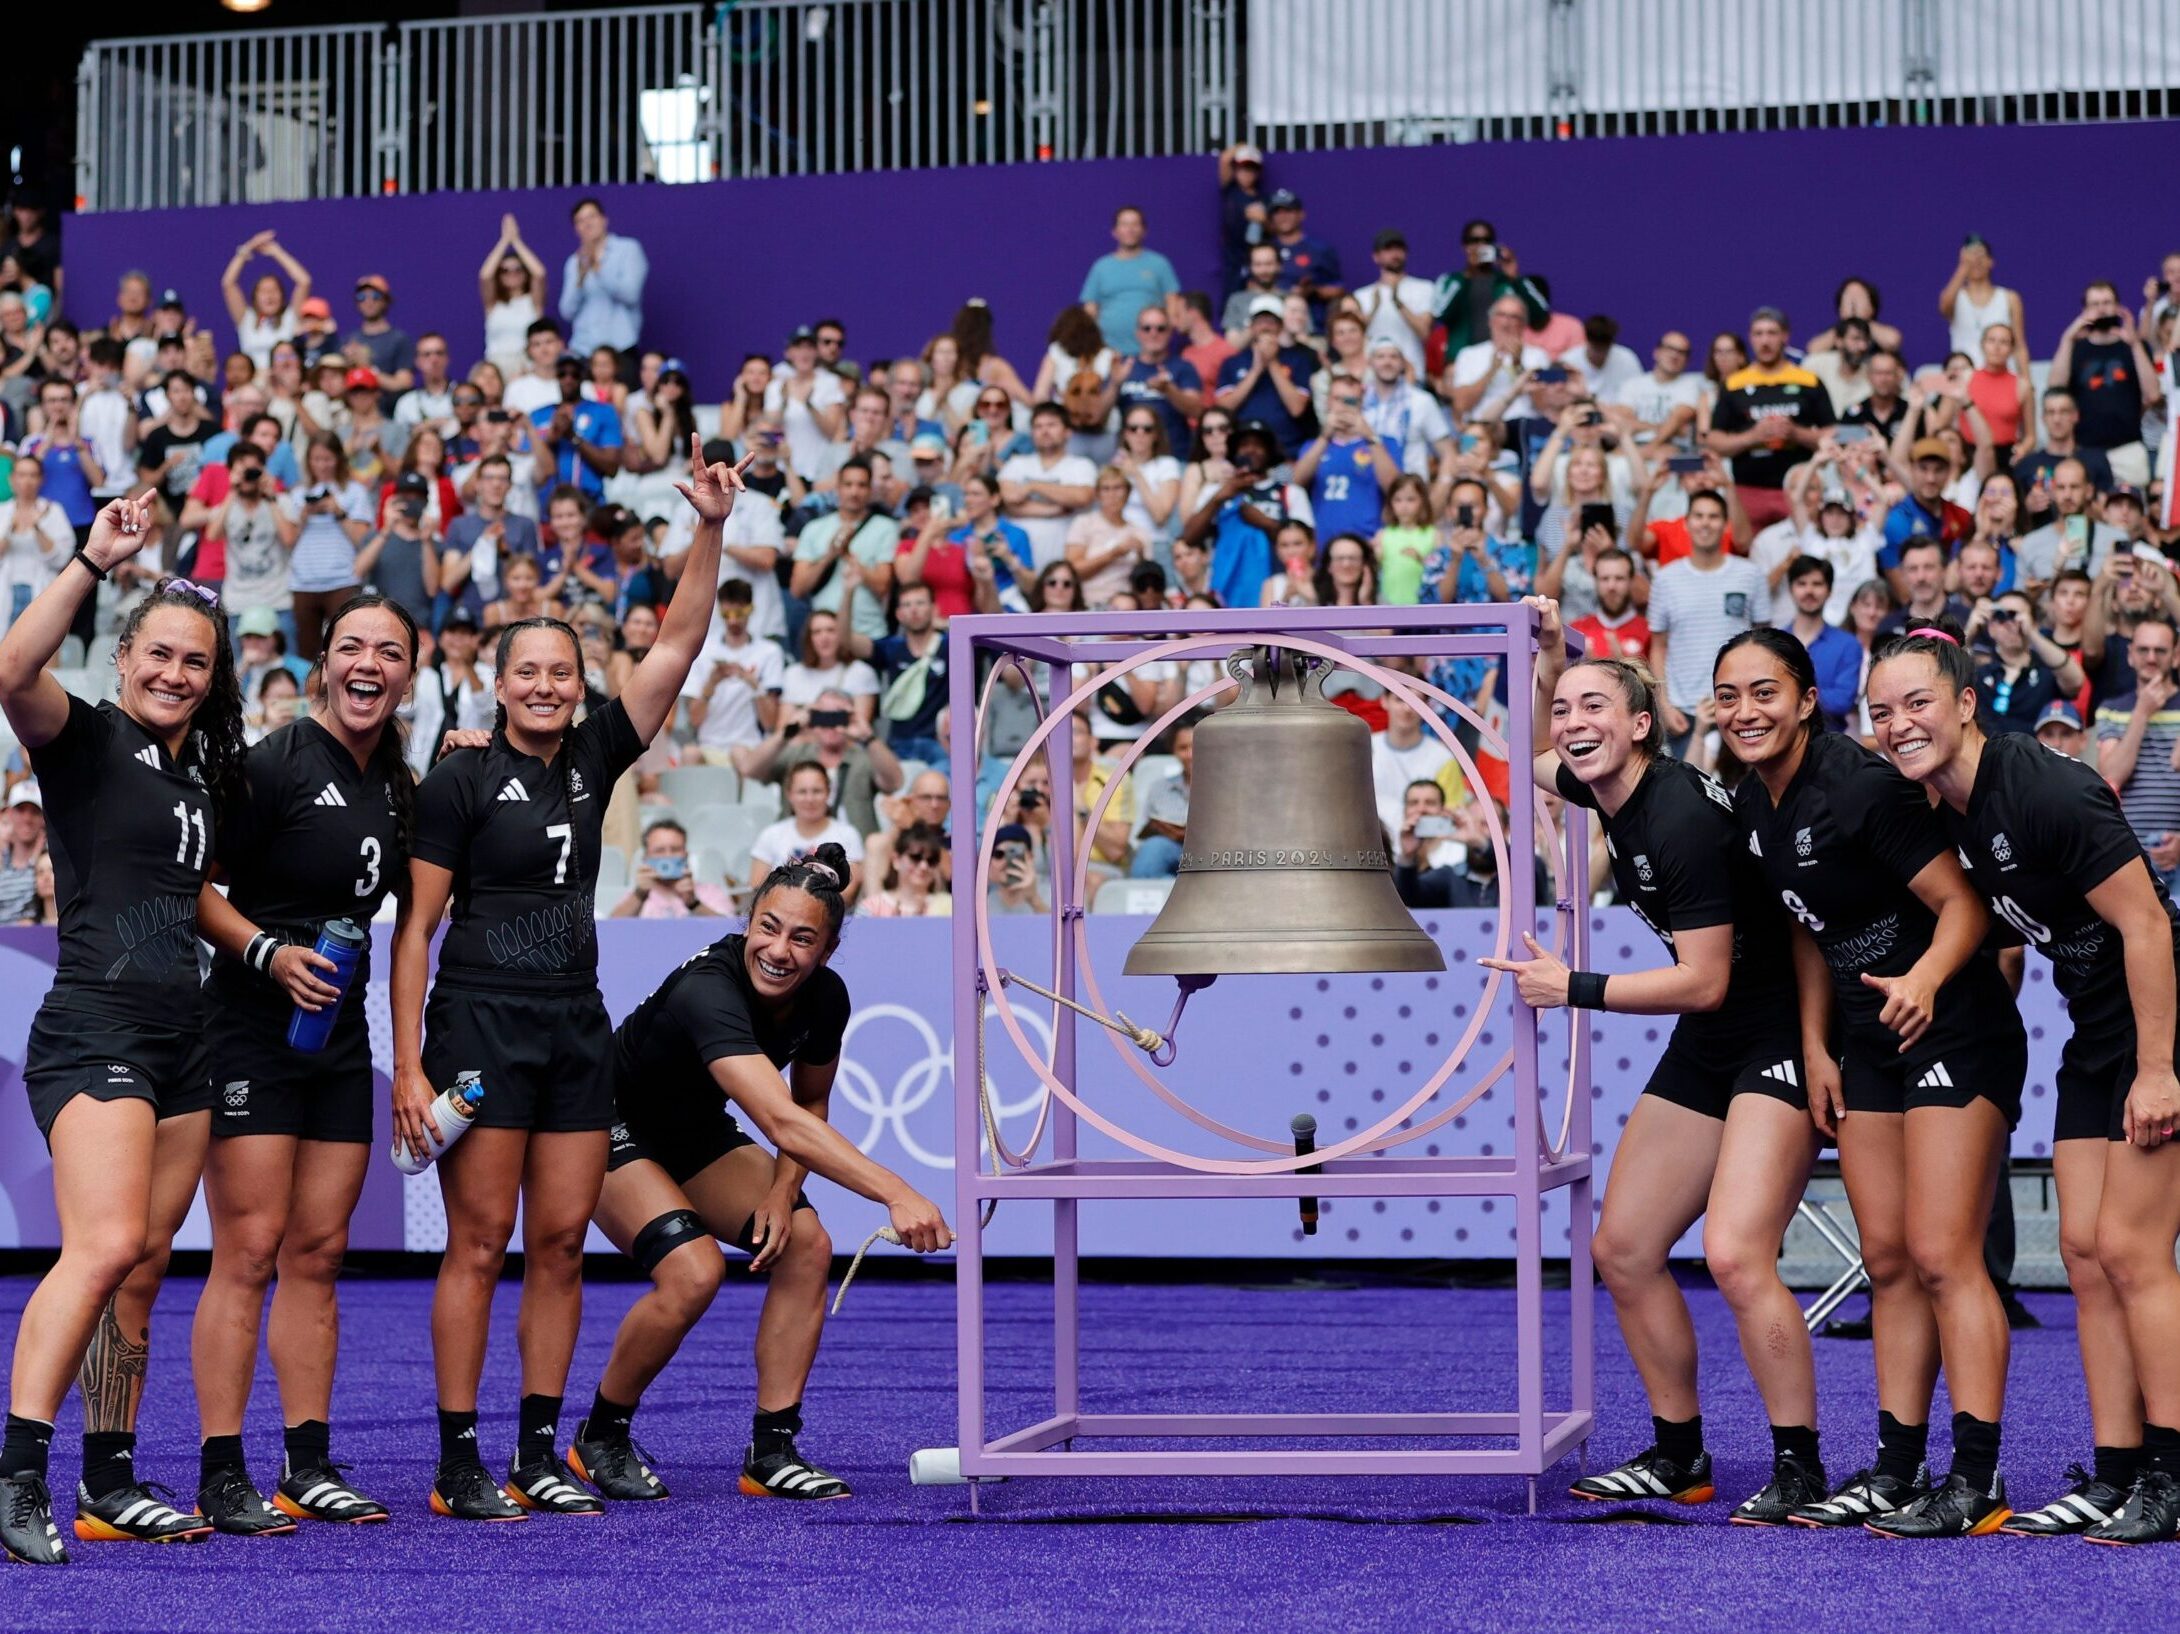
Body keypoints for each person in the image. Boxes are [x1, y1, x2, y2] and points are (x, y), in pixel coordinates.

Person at [390, 437, 743, 1521]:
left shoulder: (596, 753)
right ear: (495, 684)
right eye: (525, 672)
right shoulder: (457, 777)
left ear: (579, 683)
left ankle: (540, 1447)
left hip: (574, 1028)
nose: (545, 686)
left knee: (557, 1242)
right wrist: (406, 1063)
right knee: (482, 1240)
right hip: (478, 1029)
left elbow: (679, 639)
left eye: (560, 671)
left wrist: (710, 526)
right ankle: (460, 1460)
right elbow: (415, 931)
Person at [1483, 598, 1820, 1521]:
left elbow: (1705, 980)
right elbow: (1527, 757)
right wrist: (1553, 659)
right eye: (1565, 712)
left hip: (1775, 1035)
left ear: (1642, 728)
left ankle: (1801, 1465)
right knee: (1624, 1249)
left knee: (1737, 1255)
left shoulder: (1676, 818)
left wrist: (1573, 986)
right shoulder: (1606, 783)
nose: (1572, 726)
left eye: (1597, 710)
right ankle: (1681, 1457)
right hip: (1713, 1041)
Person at [1867, 629, 2180, 1543]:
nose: (1899, 725)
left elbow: (2149, 929)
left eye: (1918, 703)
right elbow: (2008, 936)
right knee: (2083, 1255)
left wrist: (2159, 1069)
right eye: (1882, 711)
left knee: (2130, 1251)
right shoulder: (1945, 810)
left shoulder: (2045, 784)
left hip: (2156, 1024)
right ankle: (2118, 1473)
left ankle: (2170, 1476)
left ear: (1966, 702)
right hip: (2095, 1031)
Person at [1717, 627, 2026, 1536]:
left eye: (1766, 692)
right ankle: (1898, 1469)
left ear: (1809, 700)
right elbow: (1808, 928)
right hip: (1866, 1042)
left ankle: (1978, 1482)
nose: (1747, 713)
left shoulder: (1861, 786)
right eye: (1728, 697)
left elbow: (1965, 906)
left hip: (1954, 1030)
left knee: (1942, 1256)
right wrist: (1817, 1046)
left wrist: (1927, 980)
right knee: (1887, 1261)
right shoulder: (1751, 800)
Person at [0, 497, 247, 1563]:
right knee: (100, 1247)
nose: (175, 673)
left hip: (182, 1036)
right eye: (158, 653)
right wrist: (93, 559)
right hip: (94, 1022)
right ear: (126, 658)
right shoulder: (87, 740)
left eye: (195, 660)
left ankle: (109, 1476)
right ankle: (17, 1476)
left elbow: (187, 893)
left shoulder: (199, 773)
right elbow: (10, 673)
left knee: (143, 1262)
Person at [573, 853, 951, 1503]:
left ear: (828, 949)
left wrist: (782, 1193)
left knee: (807, 1243)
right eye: (767, 928)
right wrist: (896, 1191)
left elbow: (808, 1106)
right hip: (602, 1124)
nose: (778, 951)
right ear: (747, 921)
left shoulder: (826, 998)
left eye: (802, 938)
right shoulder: (708, 991)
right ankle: (601, 1435)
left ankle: (771, 1451)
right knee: (694, 1270)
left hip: (695, 1135)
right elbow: (779, 1117)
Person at [186, 595, 418, 1534]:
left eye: (390, 652)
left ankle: (307, 1463)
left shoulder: (403, 782)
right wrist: (266, 956)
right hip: (248, 1030)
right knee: (246, 1251)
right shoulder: (271, 766)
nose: (369, 664)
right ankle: (221, 1469)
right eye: (352, 648)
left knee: (319, 1252)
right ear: (323, 664)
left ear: (409, 673)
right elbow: (192, 883)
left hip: (336, 1036)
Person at [1646, 490, 1768, 757]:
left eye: (1713, 516)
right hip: (1683, 711)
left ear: (1725, 524)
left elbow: (1765, 642)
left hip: (1742, 708)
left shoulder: (1750, 574)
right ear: (1686, 523)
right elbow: (1658, 647)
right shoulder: (1665, 579)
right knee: (1686, 796)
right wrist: (1664, 704)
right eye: (1699, 516)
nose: (1705, 523)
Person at [1707, 308, 1835, 531]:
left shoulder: (1808, 381)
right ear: (1750, 338)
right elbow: (1714, 440)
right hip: (1748, 489)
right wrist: (1751, 437)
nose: (1765, 341)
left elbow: (1833, 434)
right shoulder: (1733, 384)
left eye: (1772, 333)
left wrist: (1796, 433)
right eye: (1758, 334)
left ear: (1785, 336)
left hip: (1799, 490)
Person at [2092, 617, 2180, 892]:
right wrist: (2141, 713)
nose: (2151, 658)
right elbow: (2111, 777)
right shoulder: (2111, 709)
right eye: (2143, 650)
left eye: (2160, 651)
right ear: (2130, 655)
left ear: (2176, 657)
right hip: (2128, 855)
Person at [2051, 281, 2162, 487]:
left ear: (2118, 307)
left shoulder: (2135, 347)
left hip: (2128, 448)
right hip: (2085, 449)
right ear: (2084, 310)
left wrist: (2135, 344)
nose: (2101, 309)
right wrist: (2067, 338)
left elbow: (2153, 395)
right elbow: (2055, 390)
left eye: (2107, 302)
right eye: (2094, 304)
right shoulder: (2076, 348)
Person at [278, 435, 376, 662]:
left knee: (346, 646)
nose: (322, 465)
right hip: (303, 581)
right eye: (316, 459)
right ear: (308, 461)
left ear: (338, 459)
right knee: (306, 652)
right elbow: (288, 540)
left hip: (342, 579)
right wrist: (303, 516)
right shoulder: (298, 494)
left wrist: (339, 512)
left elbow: (363, 539)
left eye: (327, 459)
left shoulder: (354, 492)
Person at [749, 762, 865, 905]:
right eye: (802, 792)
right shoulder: (770, 834)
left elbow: (849, 891)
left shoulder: (848, 835)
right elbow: (757, 888)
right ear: (789, 795)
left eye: (817, 791)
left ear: (828, 792)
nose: (809, 799)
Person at [1214, 296, 1316, 457]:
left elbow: (1297, 408)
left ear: (1280, 326)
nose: (1265, 326)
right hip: (1244, 449)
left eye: (1271, 321)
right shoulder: (1232, 362)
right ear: (1251, 326)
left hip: (1288, 450)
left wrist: (1272, 362)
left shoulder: (1299, 359)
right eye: (1260, 321)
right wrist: (1256, 370)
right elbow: (1224, 408)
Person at [1079, 206, 1179, 359]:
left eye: (1135, 224)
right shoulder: (1101, 267)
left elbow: (1173, 306)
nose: (1130, 229)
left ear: (1144, 230)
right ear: (1114, 231)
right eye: (1124, 224)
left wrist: (1161, 342)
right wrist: (1095, 348)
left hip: (1151, 355)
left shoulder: (1159, 264)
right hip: (1109, 353)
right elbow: (1089, 312)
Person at [558, 199, 645, 367]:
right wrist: (581, 278)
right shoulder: (573, 262)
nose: (587, 224)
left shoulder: (628, 249)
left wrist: (598, 269)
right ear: (576, 229)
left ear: (604, 220)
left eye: (591, 216)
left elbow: (631, 295)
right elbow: (566, 311)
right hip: (584, 351)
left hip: (621, 348)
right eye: (580, 221)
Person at [219, 231, 313, 374]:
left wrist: (277, 252)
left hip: (282, 384)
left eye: (274, 291)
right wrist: (247, 248)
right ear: (255, 297)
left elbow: (304, 281)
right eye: (263, 291)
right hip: (253, 386)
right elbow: (228, 284)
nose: (269, 296)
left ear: (282, 296)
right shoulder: (246, 319)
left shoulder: (290, 317)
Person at [0, 455, 75, 626]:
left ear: (41, 479)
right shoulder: (2, 511)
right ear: (12, 479)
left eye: (33, 475)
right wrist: (10, 528)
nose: (27, 481)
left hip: (41, 590)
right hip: (5, 591)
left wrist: (37, 527)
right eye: (21, 475)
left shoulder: (53, 511)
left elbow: (61, 559)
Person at [610, 818, 733, 919]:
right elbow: (610, 931)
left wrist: (693, 903)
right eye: (659, 850)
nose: (667, 856)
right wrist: (639, 895)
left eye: (675, 849)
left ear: (686, 855)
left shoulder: (710, 892)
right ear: (646, 857)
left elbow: (728, 933)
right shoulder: (636, 897)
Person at [478, 213, 549, 386]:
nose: (512, 274)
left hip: (526, 366)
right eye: (506, 270)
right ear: (499, 275)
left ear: (525, 274)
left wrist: (516, 241)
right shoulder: (493, 305)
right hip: (495, 367)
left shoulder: (533, 303)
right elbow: (485, 276)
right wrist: (504, 241)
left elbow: (539, 273)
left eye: (518, 269)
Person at [1940, 236, 2027, 367]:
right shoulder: (1956, 297)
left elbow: (2019, 345)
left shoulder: (2009, 298)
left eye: (1980, 256)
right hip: (1965, 376)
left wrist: (2027, 381)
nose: (1976, 261)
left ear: (1991, 261)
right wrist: (1963, 267)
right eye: (1971, 257)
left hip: (2002, 376)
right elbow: (1944, 307)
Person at [859, 821, 952, 918]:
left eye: (931, 860)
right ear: (896, 860)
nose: (924, 866)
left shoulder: (949, 908)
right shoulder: (871, 908)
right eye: (916, 857)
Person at [0, 779, 43, 923]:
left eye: (35, 812)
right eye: (21, 810)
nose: (27, 818)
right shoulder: (1, 859)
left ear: (43, 818)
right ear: (10, 813)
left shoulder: (51, 863)